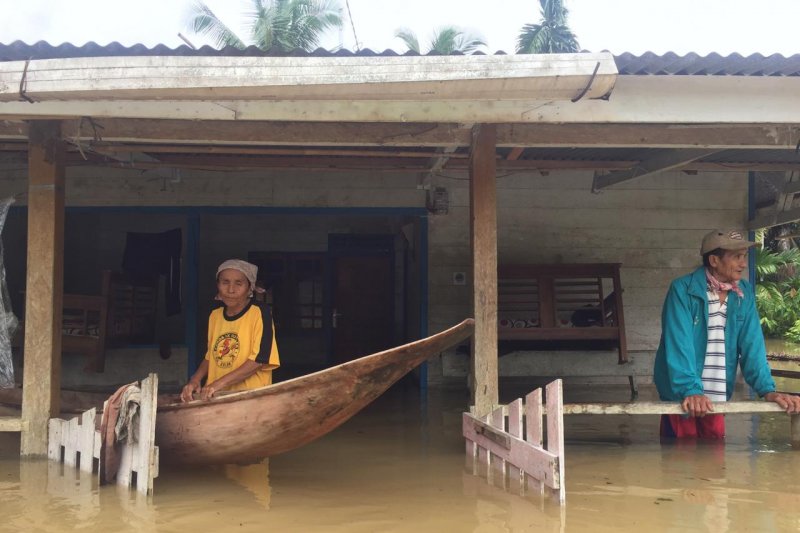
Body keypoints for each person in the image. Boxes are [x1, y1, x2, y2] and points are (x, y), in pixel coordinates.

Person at [653, 229, 800, 438]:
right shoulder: (683, 290)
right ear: (714, 260)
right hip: (681, 397)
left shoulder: (743, 293)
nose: (743, 263)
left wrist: (768, 390)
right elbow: (679, 344)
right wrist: (690, 390)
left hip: (717, 397)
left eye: (744, 257)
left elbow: (753, 346)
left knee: (715, 465)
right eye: (737, 257)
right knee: (679, 462)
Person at [180, 259, 280, 402]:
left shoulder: (259, 312)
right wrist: (195, 380)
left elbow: (259, 360)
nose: (231, 290)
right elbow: (211, 357)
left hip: (250, 399)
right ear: (218, 285)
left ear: (249, 287)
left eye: (238, 283)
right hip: (215, 399)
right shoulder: (215, 315)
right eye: (225, 282)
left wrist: (218, 384)